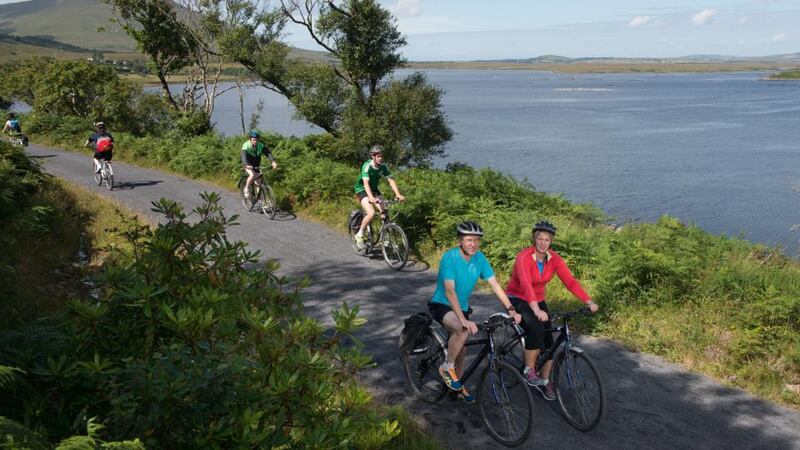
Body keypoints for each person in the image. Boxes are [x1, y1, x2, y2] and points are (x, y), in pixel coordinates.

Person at [429, 221, 522, 403]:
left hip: (462, 307)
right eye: (469, 240)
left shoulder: (480, 258)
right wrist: (463, 320)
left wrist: (511, 309)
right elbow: (449, 290)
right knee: (462, 330)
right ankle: (446, 367)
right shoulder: (449, 258)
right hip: (442, 304)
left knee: (462, 349)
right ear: (460, 241)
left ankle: (457, 385)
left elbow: (495, 285)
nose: (473, 244)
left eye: (477, 240)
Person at [505, 220, 599, 400]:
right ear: (534, 239)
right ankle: (528, 369)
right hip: (518, 298)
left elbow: (570, 281)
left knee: (549, 341)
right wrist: (535, 310)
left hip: (538, 299)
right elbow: (526, 285)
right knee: (535, 328)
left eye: (547, 239)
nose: (543, 242)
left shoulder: (554, 258)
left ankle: (545, 380)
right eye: (540, 238)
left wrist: (588, 300)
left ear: (551, 242)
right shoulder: (524, 257)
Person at [353, 145, 405, 249]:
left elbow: (390, 180)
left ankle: (384, 238)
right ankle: (359, 234)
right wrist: (371, 198)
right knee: (371, 213)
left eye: (381, 156)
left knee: (385, 212)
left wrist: (398, 194)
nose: (380, 158)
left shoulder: (383, 166)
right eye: (378, 156)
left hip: (374, 190)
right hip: (362, 189)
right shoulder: (367, 165)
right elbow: (366, 183)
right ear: (373, 156)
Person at [240, 130, 277, 200]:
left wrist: (273, 161)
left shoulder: (260, 145)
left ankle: (260, 200)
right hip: (248, 164)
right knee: (252, 175)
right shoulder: (246, 146)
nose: (255, 141)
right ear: (250, 139)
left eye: (256, 140)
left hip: (256, 164)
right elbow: (243, 156)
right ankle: (246, 188)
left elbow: (268, 153)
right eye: (253, 140)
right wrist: (246, 164)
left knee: (258, 182)